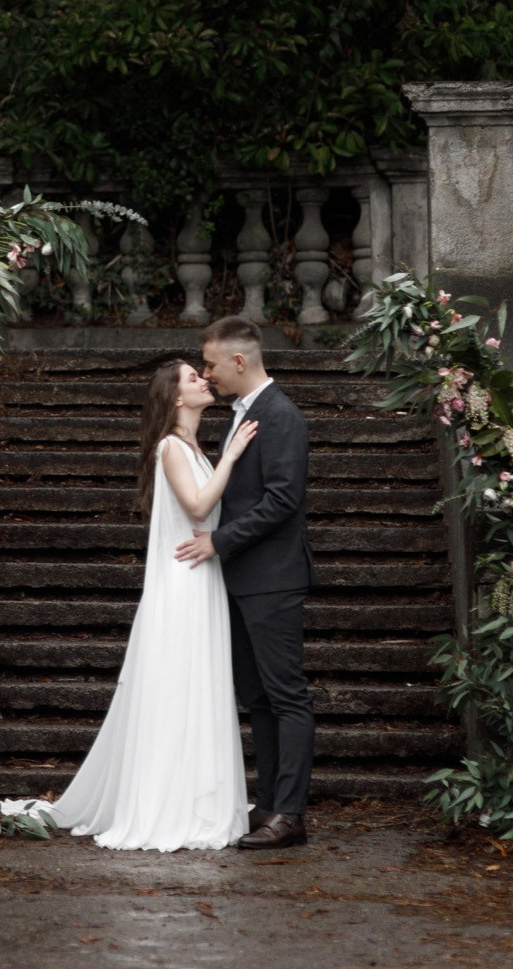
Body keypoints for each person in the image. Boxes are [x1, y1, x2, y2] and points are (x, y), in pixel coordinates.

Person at [46, 358, 257, 850]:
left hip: (201, 576)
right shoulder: (171, 447)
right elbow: (199, 507)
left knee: (197, 684)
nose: (203, 379)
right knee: (177, 684)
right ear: (177, 398)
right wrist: (233, 455)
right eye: (191, 378)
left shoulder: (191, 447)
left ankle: (191, 796)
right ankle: (168, 802)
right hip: (182, 583)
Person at [177, 314, 314, 849]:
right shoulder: (244, 413)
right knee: (256, 697)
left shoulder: (281, 416)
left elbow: (283, 498)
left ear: (239, 360)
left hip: (272, 577)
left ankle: (292, 814)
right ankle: (270, 804)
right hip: (241, 578)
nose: (206, 375)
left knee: (286, 695)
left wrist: (220, 540)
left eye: (210, 364)